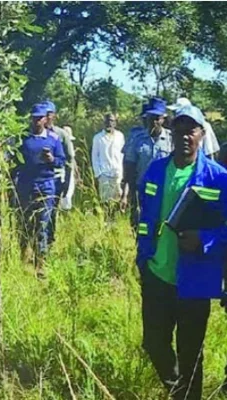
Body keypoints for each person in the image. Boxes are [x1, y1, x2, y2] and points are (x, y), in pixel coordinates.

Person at [136, 105, 227, 400]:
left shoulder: (218, 178)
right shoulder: (156, 170)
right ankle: (179, 390)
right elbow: (145, 214)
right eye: (180, 129)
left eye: (192, 130)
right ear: (171, 132)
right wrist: (142, 258)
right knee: (154, 342)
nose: (185, 135)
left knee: (191, 353)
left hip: (195, 280)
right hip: (157, 273)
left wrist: (205, 240)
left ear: (202, 134)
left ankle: (188, 395)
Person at [13, 102, 65, 277]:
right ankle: (22, 257)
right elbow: (14, 162)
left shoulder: (54, 139)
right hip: (26, 186)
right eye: (34, 118)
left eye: (40, 118)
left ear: (45, 119)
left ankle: (40, 263)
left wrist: (51, 159)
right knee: (25, 223)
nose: (36, 121)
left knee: (42, 224)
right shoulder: (22, 138)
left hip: (46, 186)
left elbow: (61, 161)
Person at [122, 97, 174, 230]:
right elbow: (130, 167)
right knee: (140, 226)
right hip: (141, 190)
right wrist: (129, 193)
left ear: (163, 119)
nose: (154, 122)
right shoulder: (137, 139)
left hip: (164, 190)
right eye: (151, 117)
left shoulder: (171, 139)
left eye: (157, 118)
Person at [43, 100, 75, 244]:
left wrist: (67, 184)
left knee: (51, 212)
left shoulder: (61, 135)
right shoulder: (35, 133)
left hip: (56, 178)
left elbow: (69, 161)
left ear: (54, 116)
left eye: (49, 114)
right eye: (44, 114)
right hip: (37, 179)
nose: (46, 117)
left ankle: (49, 240)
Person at [92, 113, 125, 209]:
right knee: (105, 203)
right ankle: (106, 223)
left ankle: (115, 223)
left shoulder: (120, 136)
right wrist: (98, 174)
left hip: (117, 173)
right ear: (103, 123)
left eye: (111, 121)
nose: (109, 123)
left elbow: (122, 154)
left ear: (115, 123)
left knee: (117, 202)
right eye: (107, 121)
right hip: (104, 175)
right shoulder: (98, 138)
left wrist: (122, 173)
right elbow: (94, 157)